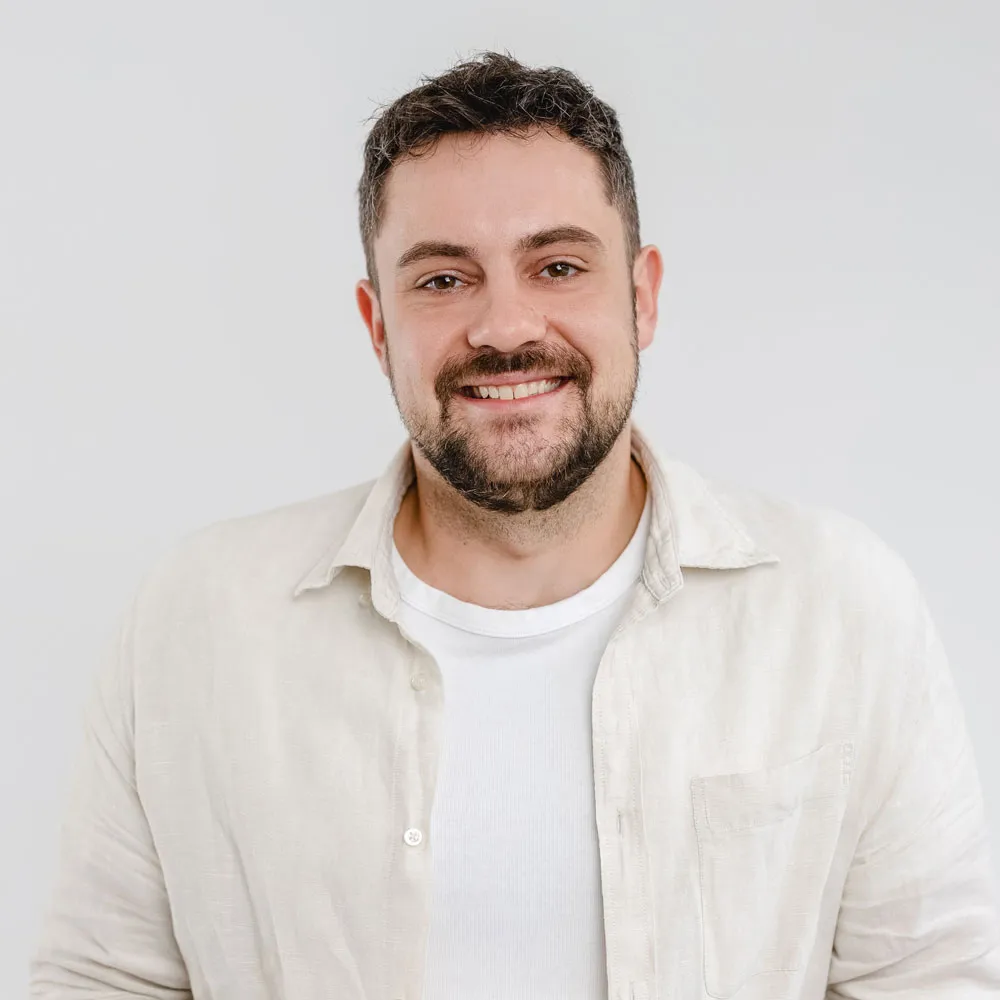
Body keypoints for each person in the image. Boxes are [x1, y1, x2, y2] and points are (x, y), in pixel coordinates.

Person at [30, 51, 1000, 1000]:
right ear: (377, 326)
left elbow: (928, 978)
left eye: (558, 265)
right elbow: (102, 979)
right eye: (443, 280)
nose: (503, 325)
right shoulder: (199, 618)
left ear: (642, 294)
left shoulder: (834, 606)